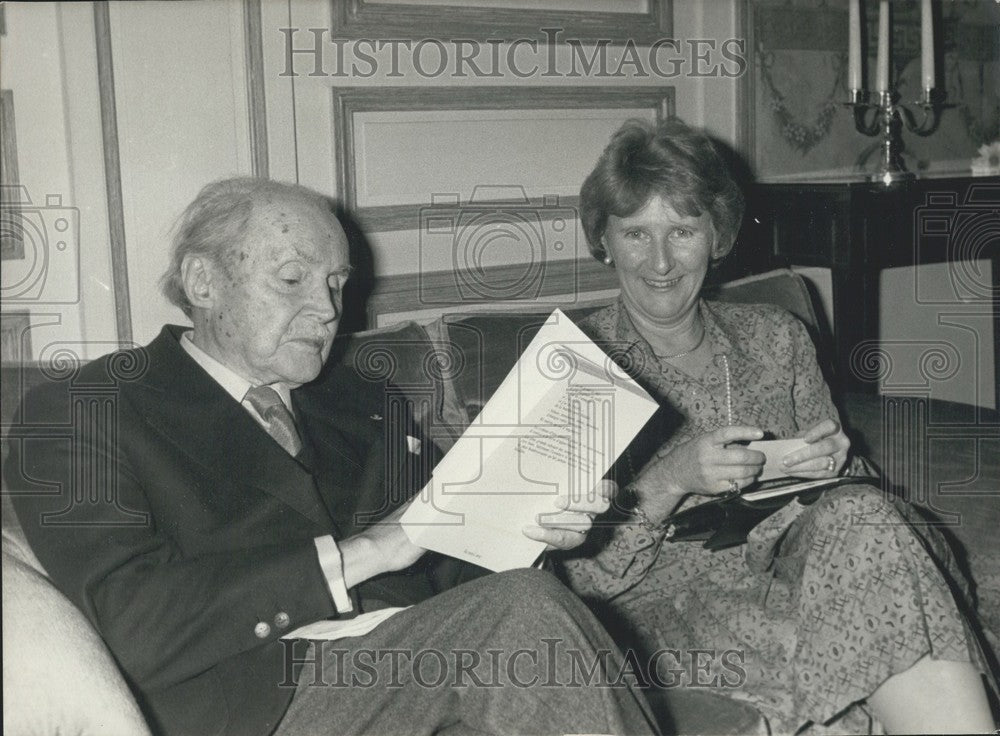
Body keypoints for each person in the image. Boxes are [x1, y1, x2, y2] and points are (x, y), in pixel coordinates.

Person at [6, 178, 660, 736]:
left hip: (420, 671)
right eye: (292, 279)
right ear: (203, 281)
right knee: (521, 610)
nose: (325, 310)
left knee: (529, 599)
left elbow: (457, 578)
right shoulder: (87, 407)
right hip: (262, 702)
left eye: (336, 284)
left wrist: (528, 526)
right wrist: (367, 552)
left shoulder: (360, 399)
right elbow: (131, 622)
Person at [556, 118, 996, 734]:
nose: (659, 261)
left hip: (802, 565)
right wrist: (671, 479)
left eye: (682, 231)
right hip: (666, 611)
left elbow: (857, 500)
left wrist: (836, 467)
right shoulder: (574, 368)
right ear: (604, 241)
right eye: (635, 233)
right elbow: (569, 579)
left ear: (718, 237)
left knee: (863, 514)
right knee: (885, 625)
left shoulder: (775, 336)